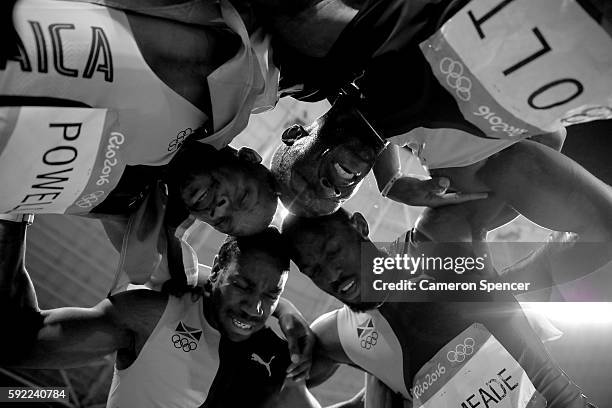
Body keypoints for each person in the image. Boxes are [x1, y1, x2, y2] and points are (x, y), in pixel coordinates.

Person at [281, 208, 603, 407]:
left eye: (334, 251)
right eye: (315, 271)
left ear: (360, 226)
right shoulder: (339, 333)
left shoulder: (435, 236)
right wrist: (283, 309)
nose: (332, 275)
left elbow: (542, 143)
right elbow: (266, 379)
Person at [0, 218, 319, 408]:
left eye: (272, 294)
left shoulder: (279, 358)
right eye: (243, 285)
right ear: (219, 267)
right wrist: (14, 216)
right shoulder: (152, 316)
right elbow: (21, 342)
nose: (256, 308)